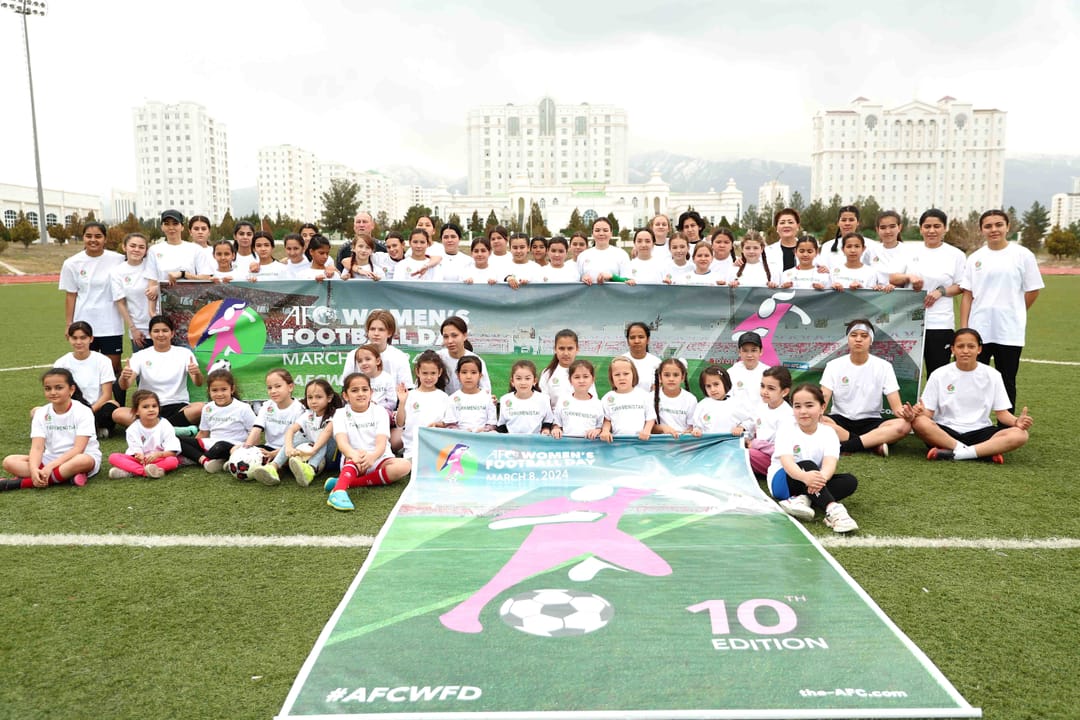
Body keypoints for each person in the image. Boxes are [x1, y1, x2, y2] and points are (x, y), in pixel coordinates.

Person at [903, 328, 1033, 463]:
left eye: (971, 346)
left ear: (979, 349)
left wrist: (1016, 422)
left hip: (981, 431)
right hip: (946, 432)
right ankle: (980, 452)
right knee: (919, 422)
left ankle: (957, 454)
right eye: (960, 346)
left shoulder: (993, 375)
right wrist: (919, 412)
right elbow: (928, 413)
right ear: (953, 349)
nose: (965, 351)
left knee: (1020, 435)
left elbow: (1002, 414)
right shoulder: (939, 374)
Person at [959, 209, 1043, 412]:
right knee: (974, 379)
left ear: (1008, 227)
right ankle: (974, 424)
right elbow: (967, 295)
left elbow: (1033, 290)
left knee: (1006, 380)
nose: (994, 229)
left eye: (998, 224)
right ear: (981, 230)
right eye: (988, 226)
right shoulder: (975, 258)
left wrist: (1015, 312)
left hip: (1009, 332)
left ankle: (1005, 429)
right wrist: (964, 330)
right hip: (979, 330)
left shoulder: (1023, 255)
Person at [767, 384, 859, 533]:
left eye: (809, 405)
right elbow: (787, 462)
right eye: (797, 406)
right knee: (808, 465)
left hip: (811, 479)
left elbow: (829, 464)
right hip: (783, 481)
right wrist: (805, 477)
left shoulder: (829, 433)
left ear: (822, 407)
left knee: (849, 481)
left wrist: (816, 480)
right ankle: (833, 510)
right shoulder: (786, 429)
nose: (803, 411)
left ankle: (803, 499)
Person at [820, 319, 911, 456]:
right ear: (848, 339)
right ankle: (871, 445)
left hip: (871, 422)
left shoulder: (884, 366)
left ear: (871, 340)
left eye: (864, 336)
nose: (858, 339)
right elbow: (823, 400)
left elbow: (897, 408)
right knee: (817, 422)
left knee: (904, 426)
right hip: (839, 420)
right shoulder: (833, 365)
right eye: (853, 335)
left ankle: (845, 446)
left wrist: (908, 414)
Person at [892, 209, 966, 376]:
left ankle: (937, 403)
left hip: (940, 323)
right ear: (920, 229)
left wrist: (941, 291)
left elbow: (961, 285)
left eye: (937, 226)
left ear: (945, 228)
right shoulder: (908, 251)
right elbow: (893, 278)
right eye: (927, 226)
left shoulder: (956, 255)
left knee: (938, 373)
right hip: (909, 322)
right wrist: (909, 277)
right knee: (906, 374)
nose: (932, 230)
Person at [0, 368, 100, 490]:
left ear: (71, 389)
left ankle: (22, 483)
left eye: (59, 387)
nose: (53, 392)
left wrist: (50, 466)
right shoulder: (41, 413)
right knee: (9, 461)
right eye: (48, 388)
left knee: (83, 461)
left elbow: (78, 449)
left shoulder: (83, 411)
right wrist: (34, 469)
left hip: (79, 456)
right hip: (51, 458)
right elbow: (37, 448)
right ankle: (66, 476)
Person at [325, 373, 412, 512]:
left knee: (405, 466)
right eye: (354, 390)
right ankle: (338, 491)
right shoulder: (340, 413)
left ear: (371, 393)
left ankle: (350, 482)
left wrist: (372, 457)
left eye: (364, 389)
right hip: (353, 460)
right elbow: (342, 443)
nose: (360, 394)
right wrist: (354, 455)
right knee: (356, 454)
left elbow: (381, 444)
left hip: (378, 458)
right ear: (345, 396)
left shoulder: (380, 411)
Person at [114, 315, 204, 429]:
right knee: (118, 413)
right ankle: (173, 428)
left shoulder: (184, 353)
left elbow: (198, 382)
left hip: (177, 406)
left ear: (172, 333)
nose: (161, 334)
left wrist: (196, 373)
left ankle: (154, 427)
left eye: (165, 331)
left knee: (201, 408)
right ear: (150, 334)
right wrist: (124, 377)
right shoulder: (140, 355)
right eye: (156, 331)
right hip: (148, 406)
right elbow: (124, 385)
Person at [60, 222, 126, 376]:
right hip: (84, 323)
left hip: (111, 323)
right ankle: (91, 401)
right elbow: (71, 295)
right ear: (83, 237)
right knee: (89, 369)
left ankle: (117, 401)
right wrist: (69, 324)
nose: (93, 240)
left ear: (105, 239)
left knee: (114, 368)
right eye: (88, 236)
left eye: (98, 236)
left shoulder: (118, 259)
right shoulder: (71, 263)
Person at [177, 368, 256, 474]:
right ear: (209, 391)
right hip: (211, 444)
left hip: (234, 447)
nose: (219, 394)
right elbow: (203, 432)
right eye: (215, 390)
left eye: (224, 389)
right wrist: (193, 445)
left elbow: (254, 432)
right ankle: (205, 460)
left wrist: (248, 452)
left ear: (232, 389)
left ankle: (195, 459)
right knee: (176, 440)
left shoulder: (243, 408)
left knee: (221, 445)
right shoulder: (207, 408)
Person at [54, 322, 119, 437]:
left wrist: (89, 411)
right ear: (69, 339)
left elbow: (107, 395)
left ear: (91, 339)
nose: (78, 342)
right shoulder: (61, 363)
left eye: (83, 338)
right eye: (74, 338)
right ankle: (91, 430)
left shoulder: (103, 361)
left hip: (95, 409)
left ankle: (76, 430)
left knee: (112, 405)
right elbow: (58, 394)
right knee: (36, 412)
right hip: (71, 410)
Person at [277, 379, 342, 487]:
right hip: (312, 451)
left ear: (329, 398)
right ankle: (273, 467)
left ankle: (310, 470)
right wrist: (289, 447)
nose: (313, 401)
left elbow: (326, 433)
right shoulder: (308, 414)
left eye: (318, 397)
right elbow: (291, 430)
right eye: (310, 397)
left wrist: (312, 451)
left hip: (330, 458)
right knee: (298, 436)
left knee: (322, 439)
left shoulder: (335, 414)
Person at [246, 369, 305, 486]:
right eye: (269, 388)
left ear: (290, 387)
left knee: (297, 457)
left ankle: (276, 470)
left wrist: (275, 454)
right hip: (268, 448)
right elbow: (256, 429)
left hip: (288, 450)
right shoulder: (267, 406)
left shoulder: (299, 409)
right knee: (239, 448)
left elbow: (298, 440)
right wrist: (245, 449)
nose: (273, 391)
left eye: (278, 386)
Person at [107, 390, 181, 479]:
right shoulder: (133, 428)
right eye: (145, 407)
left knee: (172, 461)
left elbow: (172, 452)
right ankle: (148, 471)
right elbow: (135, 450)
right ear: (136, 411)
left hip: (159, 459)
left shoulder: (165, 425)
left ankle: (131, 472)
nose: (151, 409)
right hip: (139, 461)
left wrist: (158, 455)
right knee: (113, 457)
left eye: (154, 406)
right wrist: (140, 456)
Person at [396, 350, 450, 462]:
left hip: (436, 447)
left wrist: (438, 425)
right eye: (425, 373)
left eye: (433, 373)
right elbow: (400, 423)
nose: (429, 377)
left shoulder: (444, 397)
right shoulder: (410, 395)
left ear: (439, 372)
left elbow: (447, 424)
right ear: (417, 372)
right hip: (413, 447)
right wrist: (402, 402)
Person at [343, 310, 413, 393]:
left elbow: (407, 389)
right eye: (372, 329)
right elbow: (345, 387)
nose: (376, 333)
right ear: (367, 332)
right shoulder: (354, 354)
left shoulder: (400, 357)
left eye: (381, 329)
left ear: (390, 333)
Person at [111, 232, 159, 352]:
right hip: (140, 330)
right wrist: (133, 329)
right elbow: (120, 303)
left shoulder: (153, 265)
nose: (136, 250)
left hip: (161, 326)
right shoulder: (117, 272)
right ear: (124, 247)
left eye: (141, 247)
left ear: (146, 250)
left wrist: (157, 287)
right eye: (132, 246)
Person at [350, 344, 401, 452]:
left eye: (368, 359)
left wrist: (376, 406)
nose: (364, 363)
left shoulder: (387, 378)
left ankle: (382, 445)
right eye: (360, 361)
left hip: (384, 412)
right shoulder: (358, 379)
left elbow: (392, 401)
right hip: (363, 411)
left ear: (377, 361)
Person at [747, 366, 794, 478]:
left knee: (745, 454)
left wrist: (755, 444)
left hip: (777, 460)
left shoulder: (787, 415)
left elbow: (782, 450)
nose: (764, 392)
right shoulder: (761, 406)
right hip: (757, 451)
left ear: (785, 391)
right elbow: (753, 427)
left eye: (771, 388)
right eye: (762, 386)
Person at [600, 357, 655, 441]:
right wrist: (605, 431)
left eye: (626, 374)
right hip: (617, 442)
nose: (622, 378)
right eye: (617, 374)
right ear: (611, 377)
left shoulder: (643, 395)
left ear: (633, 374)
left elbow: (650, 417)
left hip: (640, 442)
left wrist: (646, 430)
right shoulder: (608, 398)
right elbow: (607, 420)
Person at [154, 209, 214, 284]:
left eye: (175, 224)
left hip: (191, 294)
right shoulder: (154, 250)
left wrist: (183, 274)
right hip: (164, 295)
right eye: (166, 224)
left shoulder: (195, 249)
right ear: (162, 227)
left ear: (182, 227)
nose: (171, 227)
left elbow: (207, 278)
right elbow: (152, 282)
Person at [540, 329, 595, 409]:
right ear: (555, 349)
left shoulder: (585, 373)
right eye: (561, 348)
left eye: (570, 348)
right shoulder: (547, 373)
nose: (566, 353)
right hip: (554, 420)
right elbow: (543, 404)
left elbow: (592, 401)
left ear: (577, 349)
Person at [436, 317, 491, 395]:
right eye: (446, 337)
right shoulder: (437, 358)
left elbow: (485, 390)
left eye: (454, 335)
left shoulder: (476, 360)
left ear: (465, 336)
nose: (450, 341)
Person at [497, 360, 554, 435]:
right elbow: (501, 425)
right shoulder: (505, 399)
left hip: (535, 444)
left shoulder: (543, 399)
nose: (523, 382)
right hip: (512, 444)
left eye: (527, 378)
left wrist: (545, 429)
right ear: (512, 381)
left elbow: (548, 421)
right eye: (518, 378)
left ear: (534, 381)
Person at [551, 359, 604, 439]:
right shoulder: (563, 401)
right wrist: (556, 429)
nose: (581, 381)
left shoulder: (599, 404)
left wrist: (597, 431)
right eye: (577, 377)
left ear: (592, 379)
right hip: (568, 449)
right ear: (570, 380)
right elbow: (557, 424)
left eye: (586, 377)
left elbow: (601, 427)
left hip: (590, 449)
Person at [442, 356, 497, 432]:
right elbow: (450, 425)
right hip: (460, 440)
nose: (468, 376)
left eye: (473, 372)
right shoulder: (452, 399)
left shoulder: (488, 398)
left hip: (483, 440)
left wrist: (482, 430)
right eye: (464, 372)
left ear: (480, 376)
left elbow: (492, 425)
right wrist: (464, 433)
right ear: (458, 375)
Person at [728, 331, 770, 423]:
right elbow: (727, 401)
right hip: (737, 426)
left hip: (762, 422)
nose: (749, 355)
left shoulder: (769, 373)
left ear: (761, 351)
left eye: (754, 350)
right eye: (745, 350)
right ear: (739, 352)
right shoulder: (731, 373)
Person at [692, 365, 745, 436]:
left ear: (725, 383)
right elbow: (697, 425)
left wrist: (741, 427)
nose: (712, 389)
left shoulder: (737, 404)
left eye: (716, 384)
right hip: (709, 444)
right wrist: (697, 430)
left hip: (731, 444)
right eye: (708, 386)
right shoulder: (702, 406)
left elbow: (748, 422)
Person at [653, 358, 697, 438]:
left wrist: (689, 431)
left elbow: (692, 426)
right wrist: (662, 428)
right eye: (667, 375)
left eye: (676, 375)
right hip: (658, 444)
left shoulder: (691, 399)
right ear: (660, 377)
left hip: (683, 443)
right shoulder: (650, 397)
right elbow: (647, 427)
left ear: (683, 377)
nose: (671, 379)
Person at [577, 217, 629, 284]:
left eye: (605, 230)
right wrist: (582, 278)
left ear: (611, 233)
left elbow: (628, 281)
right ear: (592, 233)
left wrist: (611, 277)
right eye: (597, 230)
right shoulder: (583, 256)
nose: (601, 233)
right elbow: (576, 281)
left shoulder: (621, 254)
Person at [621, 321, 662, 393]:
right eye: (632, 337)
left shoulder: (656, 362)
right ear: (627, 341)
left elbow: (657, 390)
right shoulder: (621, 361)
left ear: (648, 340)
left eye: (641, 337)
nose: (637, 341)